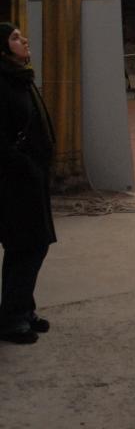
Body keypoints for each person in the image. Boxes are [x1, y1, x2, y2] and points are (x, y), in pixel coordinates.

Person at [0, 23, 56, 344]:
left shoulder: (21, 77)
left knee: (33, 245)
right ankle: (11, 319)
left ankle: (20, 308)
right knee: (27, 246)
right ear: (4, 48)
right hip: (16, 181)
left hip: (32, 178)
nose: (23, 40)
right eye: (15, 37)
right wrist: (24, 166)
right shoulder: (4, 82)